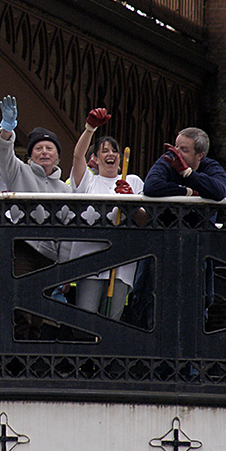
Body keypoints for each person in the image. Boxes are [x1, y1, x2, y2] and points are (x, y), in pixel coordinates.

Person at [0, 95, 72, 339]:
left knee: (39, 311)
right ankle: (16, 361)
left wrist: (67, 268)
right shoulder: (19, 171)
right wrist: (7, 129)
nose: (44, 152)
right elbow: (5, 154)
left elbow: (68, 231)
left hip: (50, 254)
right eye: (38, 148)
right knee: (21, 306)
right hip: (24, 246)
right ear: (30, 155)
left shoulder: (66, 190)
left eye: (50, 148)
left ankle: (32, 362)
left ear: (58, 156)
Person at [69, 108, 144, 319]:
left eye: (114, 150)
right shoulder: (88, 181)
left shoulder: (133, 181)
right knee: (86, 315)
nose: (110, 154)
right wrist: (90, 129)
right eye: (104, 150)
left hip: (121, 262)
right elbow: (76, 156)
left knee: (113, 318)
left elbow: (145, 219)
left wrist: (130, 203)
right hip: (90, 259)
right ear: (95, 158)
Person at [144, 128, 226, 201]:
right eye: (176, 146)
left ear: (200, 155)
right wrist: (188, 192)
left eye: (184, 150)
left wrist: (188, 173)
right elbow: (151, 186)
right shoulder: (169, 159)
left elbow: (219, 191)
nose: (177, 152)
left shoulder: (211, 166)